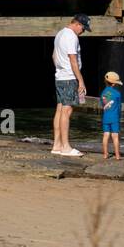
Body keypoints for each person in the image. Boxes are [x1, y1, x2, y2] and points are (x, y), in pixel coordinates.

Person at [51, 14, 89, 157]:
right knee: (67, 111)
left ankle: (57, 145)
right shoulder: (72, 37)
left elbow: (54, 56)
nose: (83, 32)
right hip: (69, 77)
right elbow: (73, 59)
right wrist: (81, 80)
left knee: (60, 109)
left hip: (60, 77)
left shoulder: (60, 34)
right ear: (78, 24)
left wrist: (60, 70)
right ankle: (66, 147)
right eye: (83, 28)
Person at [100, 71, 123, 160]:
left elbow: (103, 105)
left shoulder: (103, 93)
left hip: (105, 117)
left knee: (106, 135)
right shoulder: (117, 94)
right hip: (115, 118)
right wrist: (119, 116)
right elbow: (119, 106)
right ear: (114, 84)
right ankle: (117, 155)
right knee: (115, 136)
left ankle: (105, 154)